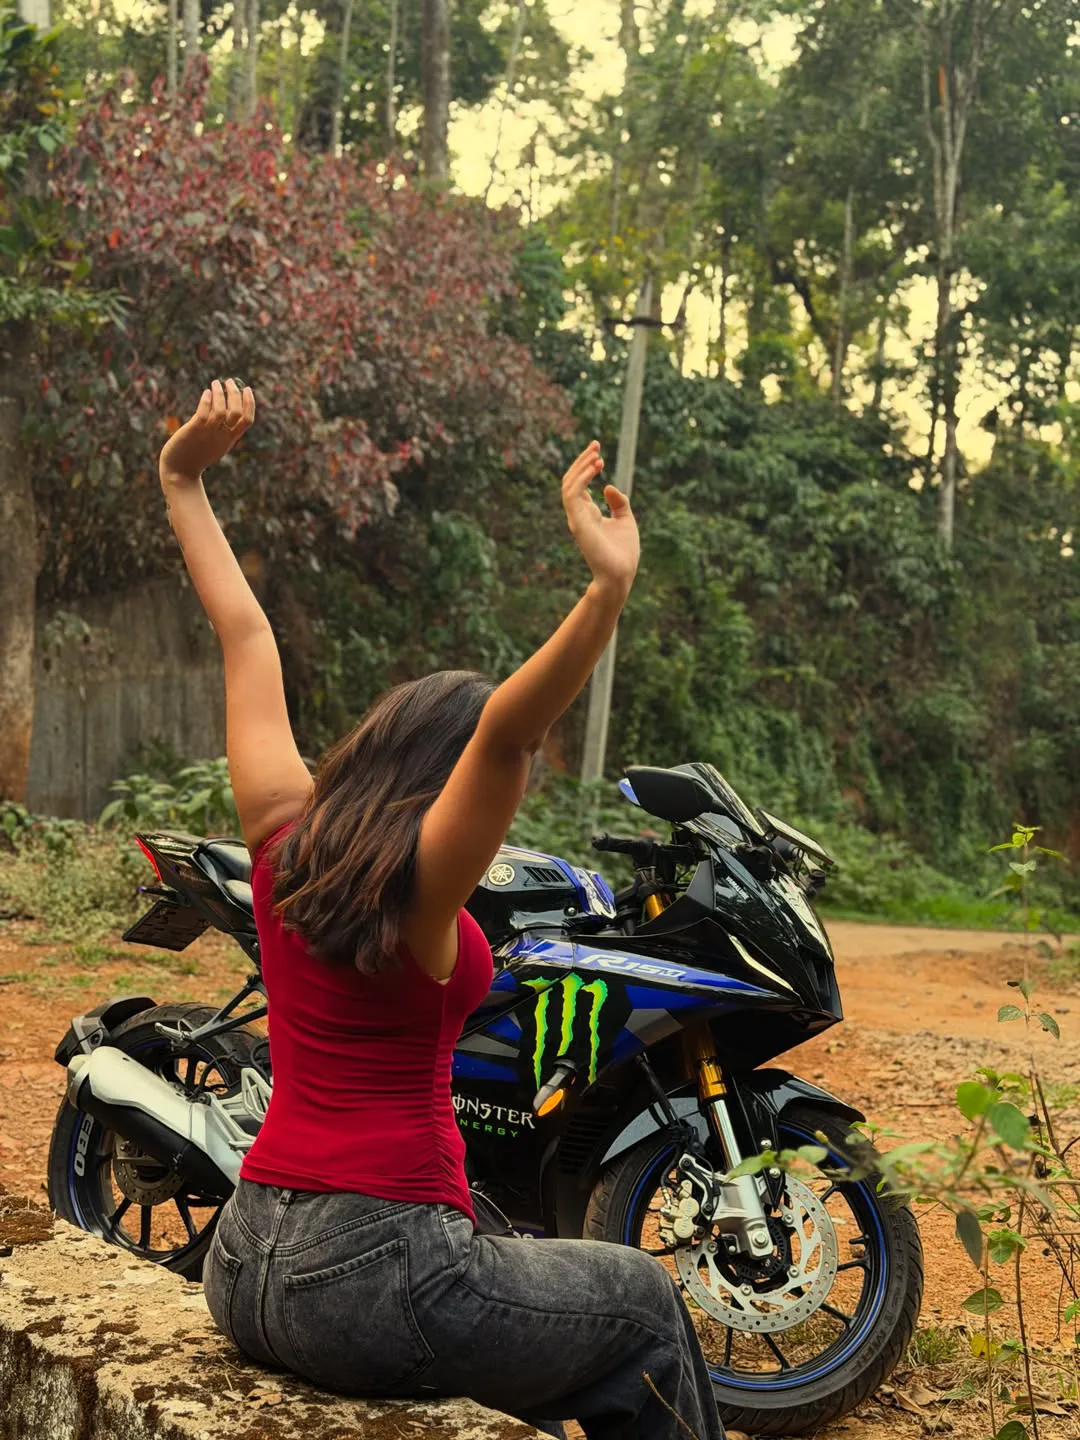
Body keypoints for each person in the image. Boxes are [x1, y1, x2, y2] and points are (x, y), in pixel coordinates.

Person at [159, 378, 725, 1440]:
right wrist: (604, 594)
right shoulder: (419, 892)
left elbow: (245, 638)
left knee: (511, 1244)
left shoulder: (286, 839)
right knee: (642, 1305)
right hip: (370, 1277)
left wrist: (182, 477)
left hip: (245, 1258)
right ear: (443, 780)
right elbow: (507, 735)